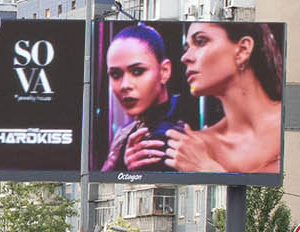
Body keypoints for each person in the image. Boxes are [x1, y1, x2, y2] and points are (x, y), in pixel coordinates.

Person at [165, 22, 284, 174]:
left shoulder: (295, 125)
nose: (185, 57)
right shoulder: (194, 149)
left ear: (243, 50)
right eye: (186, 48)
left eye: (200, 42)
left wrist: (208, 170)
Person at [99, 24, 197, 172]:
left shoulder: (191, 129)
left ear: (164, 71)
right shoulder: (124, 134)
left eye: (137, 71)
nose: (125, 85)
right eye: (116, 74)